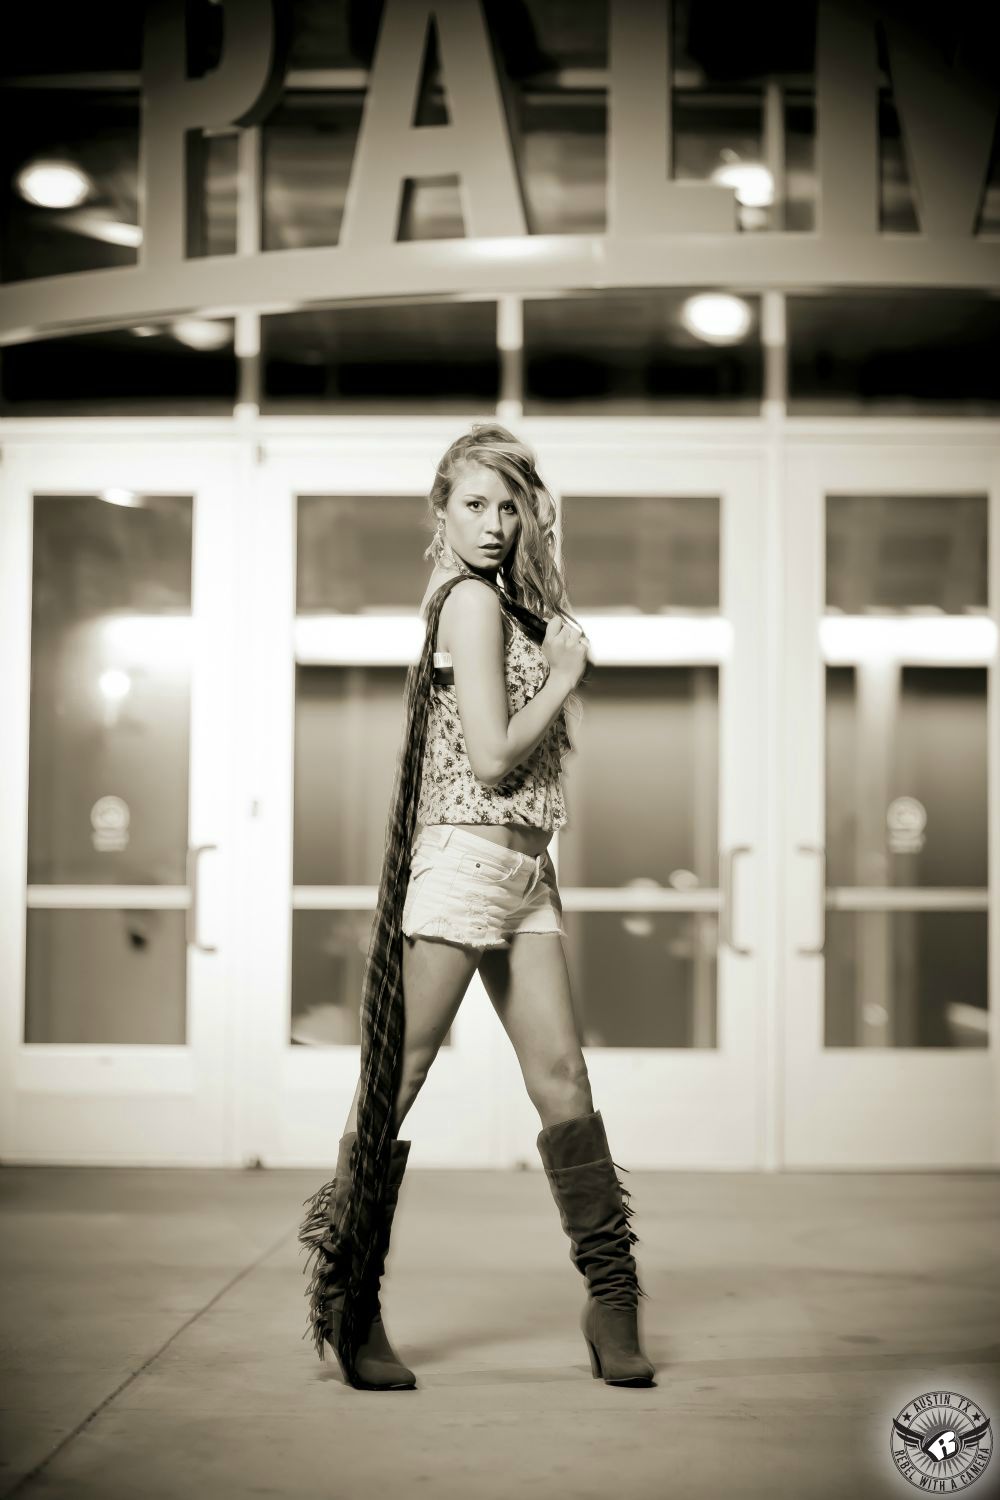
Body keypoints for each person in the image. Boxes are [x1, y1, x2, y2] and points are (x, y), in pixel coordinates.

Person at [299, 423, 654, 1391]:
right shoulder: (469, 605)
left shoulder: (496, 600)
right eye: (473, 504)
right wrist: (572, 674)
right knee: (398, 1077)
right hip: (465, 863)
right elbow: (495, 758)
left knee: (562, 1083)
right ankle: (348, 1294)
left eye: (509, 505)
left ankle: (609, 1298)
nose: (494, 524)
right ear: (440, 511)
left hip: (525, 869)